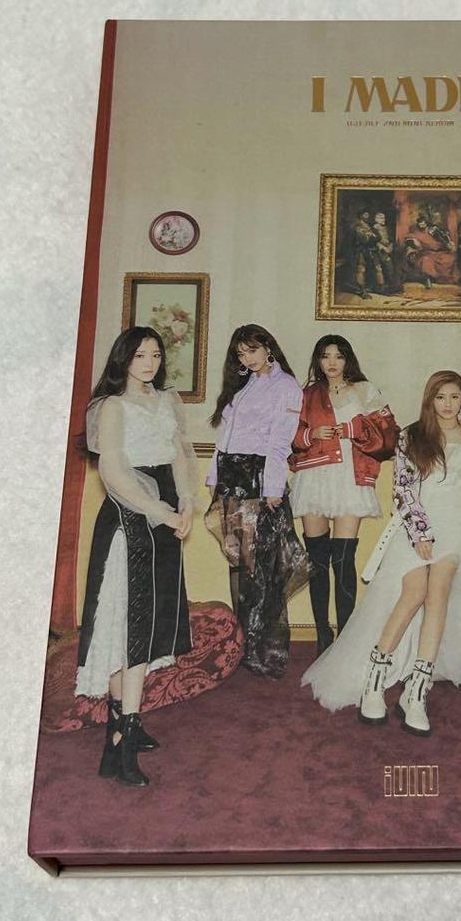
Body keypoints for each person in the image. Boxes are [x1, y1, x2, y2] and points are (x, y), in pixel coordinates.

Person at [301, 371, 461, 735]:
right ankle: (375, 679)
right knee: (414, 590)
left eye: (454, 397)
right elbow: (403, 491)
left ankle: (417, 691)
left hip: (456, 529)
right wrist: (420, 534)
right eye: (440, 397)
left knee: (439, 593)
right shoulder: (412, 436)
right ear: (430, 400)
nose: (448, 404)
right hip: (415, 526)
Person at [76, 327, 198, 787]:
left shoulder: (166, 400)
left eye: (156, 355)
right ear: (124, 359)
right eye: (140, 355)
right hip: (130, 515)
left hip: (164, 510)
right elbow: (113, 469)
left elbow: (179, 455)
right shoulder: (112, 406)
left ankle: (123, 728)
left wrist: (186, 503)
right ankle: (121, 739)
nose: (149, 363)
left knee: (148, 621)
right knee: (127, 621)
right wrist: (158, 511)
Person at [205, 324, 311, 678]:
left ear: (268, 348)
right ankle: (242, 644)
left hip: (258, 478)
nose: (246, 358)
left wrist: (273, 487)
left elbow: (281, 441)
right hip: (232, 479)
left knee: (261, 568)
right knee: (238, 562)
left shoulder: (286, 386)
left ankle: (262, 648)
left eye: (251, 350)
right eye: (240, 353)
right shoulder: (244, 384)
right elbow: (225, 436)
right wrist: (214, 478)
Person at [289, 335, 398, 654]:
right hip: (314, 476)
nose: (332, 362)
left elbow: (389, 435)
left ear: (348, 359)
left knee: (343, 558)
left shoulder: (365, 390)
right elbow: (288, 434)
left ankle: (346, 639)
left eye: (338, 355)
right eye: (325, 356)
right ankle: (323, 637)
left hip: (350, 477)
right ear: (318, 361)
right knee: (317, 560)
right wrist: (310, 434)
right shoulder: (307, 394)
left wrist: (353, 429)